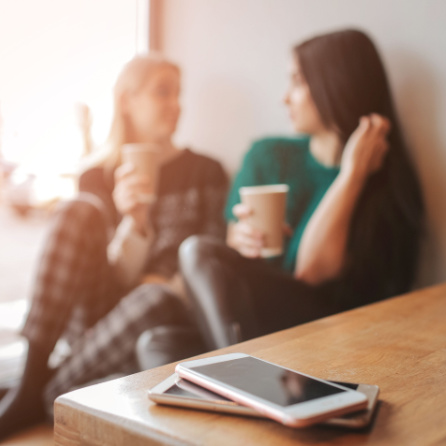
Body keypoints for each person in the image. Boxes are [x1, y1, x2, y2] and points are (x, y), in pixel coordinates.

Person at [0, 54, 227, 439]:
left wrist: (160, 283)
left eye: (178, 94)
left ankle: (39, 394)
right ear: (127, 100)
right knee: (78, 210)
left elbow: (206, 261)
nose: (175, 105)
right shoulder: (97, 174)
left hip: (164, 303)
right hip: (101, 308)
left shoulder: (206, 171)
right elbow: (105, 275)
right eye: (162, 93)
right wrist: (133, 222)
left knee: (153, 296)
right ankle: (36, 369)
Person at [179, 29, 424, 351]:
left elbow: (311, 273)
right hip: (261, 328)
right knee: (157, 341)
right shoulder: (267, 156)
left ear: (335, 84)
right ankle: (241, 380)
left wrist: (351, 176)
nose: (285, 97)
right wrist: (237, 241)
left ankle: (237, 377)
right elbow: (232, 277)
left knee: (197, 249)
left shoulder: (384, 181)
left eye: (297, 82)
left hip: (334, 336)